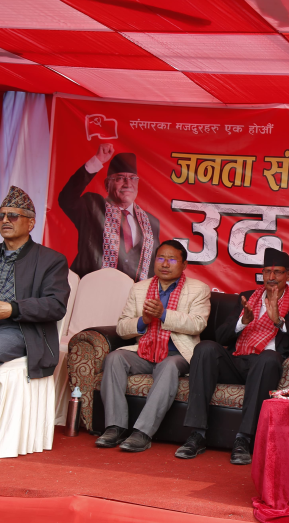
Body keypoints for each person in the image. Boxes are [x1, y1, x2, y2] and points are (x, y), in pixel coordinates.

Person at [177, 248, 289, 465]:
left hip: (265, 366)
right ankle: (197, 434)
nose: (271, 277)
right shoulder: (247, 298)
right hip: (237, 359)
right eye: (267, 272)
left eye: (277, 272)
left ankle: (244, 439)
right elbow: (220, 336)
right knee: (205, 348)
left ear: (288, 275)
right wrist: (242, 322)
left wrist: (280, 322)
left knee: (268, 357)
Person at [95, 240, 210, 453]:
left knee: (168, 366)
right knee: (114, 358)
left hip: (178, 353)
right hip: (144, 352)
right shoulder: (139, 288)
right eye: (161, 258)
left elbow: (198, 324)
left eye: (172, 259)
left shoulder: (198, 289)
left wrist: (163, 314)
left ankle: (143, 432)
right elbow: (122, 327)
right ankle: (115, 427)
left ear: (184, 264)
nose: (165, 264)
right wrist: (143, 321)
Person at [0, 186, 69, 457]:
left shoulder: (51, 260)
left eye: (13, 216)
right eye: (2, 215)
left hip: (25, 332)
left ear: (31, 223)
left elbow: (56, 305)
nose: (5, 220)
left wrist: (13, 309)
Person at [58, 143, 160, 281]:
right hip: (91, 288)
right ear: (107, 184)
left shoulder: (151, 222)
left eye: (132, 178)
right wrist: (97, 161)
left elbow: (153, 267)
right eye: (120, 178)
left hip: (132, 292)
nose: (127, 184)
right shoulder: (92, 206)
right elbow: (66, 198)